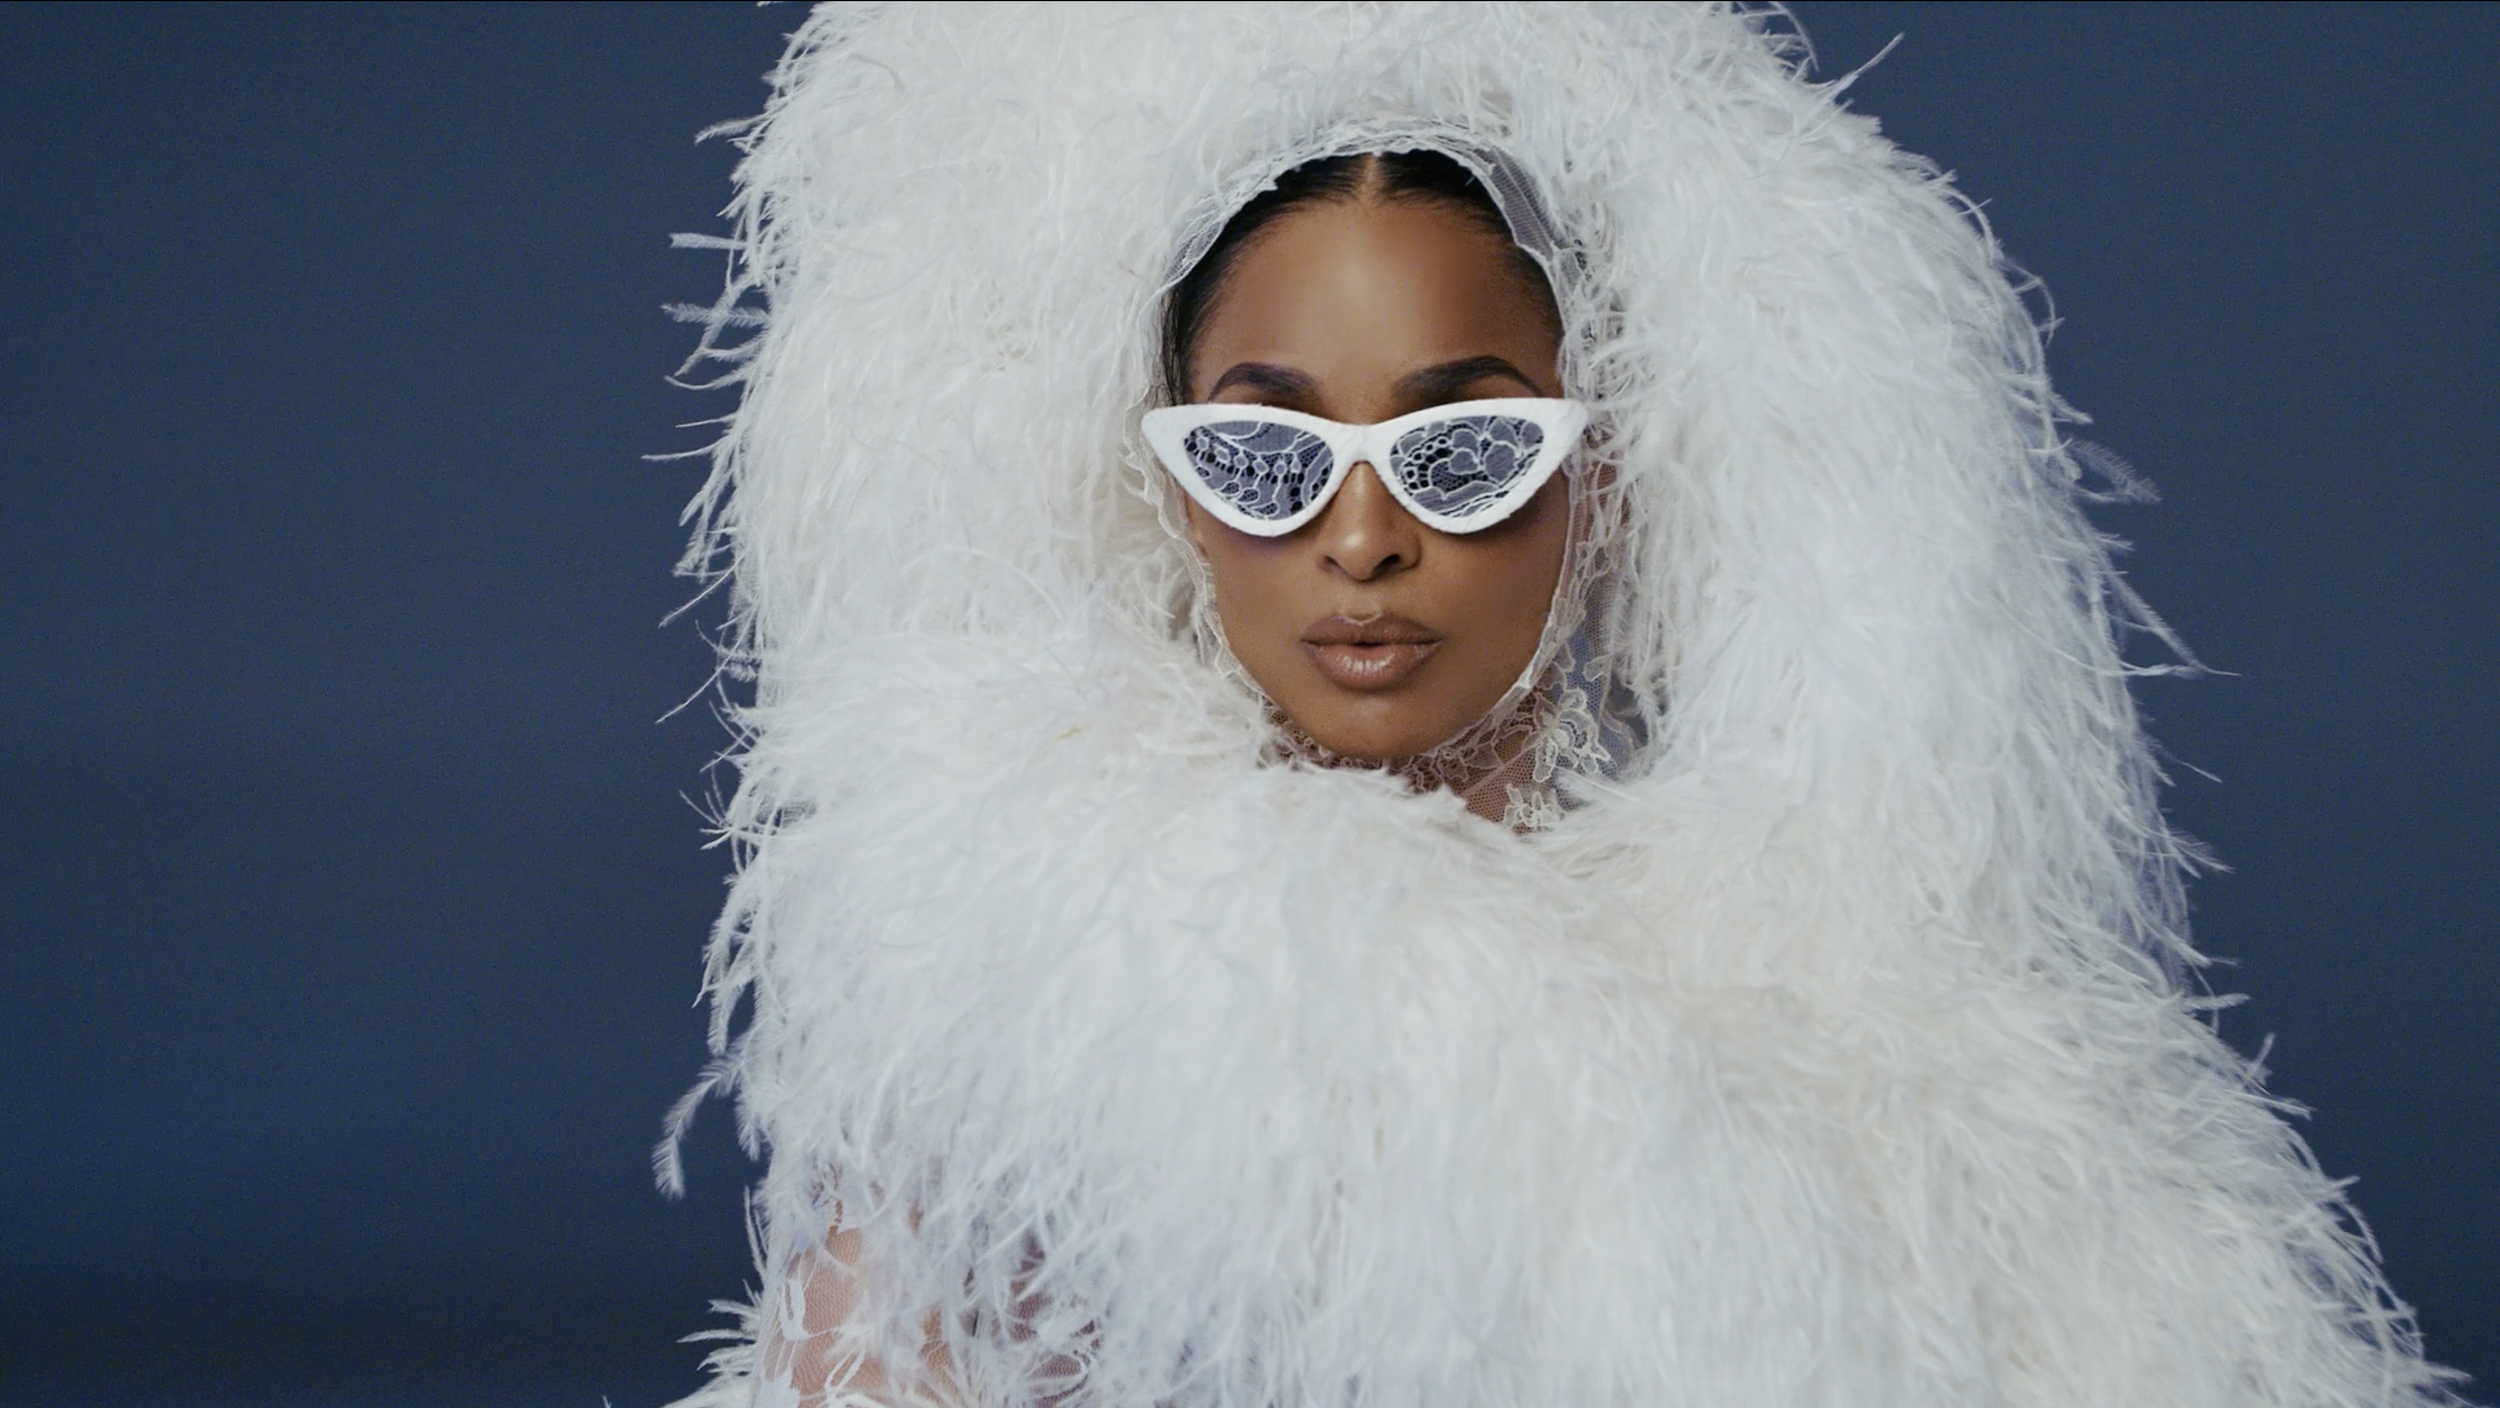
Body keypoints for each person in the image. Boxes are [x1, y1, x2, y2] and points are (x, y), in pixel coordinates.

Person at [658, 6, 2462, 1406]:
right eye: (1265, 454)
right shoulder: (1025, 1049)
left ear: (1603, 469)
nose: (1360, 540)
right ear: (1165, 486)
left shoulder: (1875, 1044)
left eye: (1460, 450)